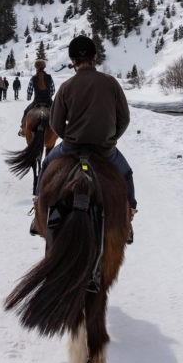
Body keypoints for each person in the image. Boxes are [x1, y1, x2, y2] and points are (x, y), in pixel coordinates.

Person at [34, 35, 137, 242]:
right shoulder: (111, 83)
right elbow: (124, 118)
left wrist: (70, 137)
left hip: (71, 148)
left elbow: (55, 123)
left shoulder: (67, 86)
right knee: (125, 173)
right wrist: (111, 138)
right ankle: (129, 215)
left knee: (46, 165)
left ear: (72, 60)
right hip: (104, 150)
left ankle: (38, 211)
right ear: (95, 57)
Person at [18, 59, 55, 136]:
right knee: (58, 113)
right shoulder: (49, 77)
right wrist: (49, 95)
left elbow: (29, 91)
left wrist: (28, 97)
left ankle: (22, 129)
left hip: (37, 101)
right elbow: (52, 90)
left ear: (36, 67)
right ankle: (62, 130)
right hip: (48, 101)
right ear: (44, 67)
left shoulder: (33, 78)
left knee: (26, 111)